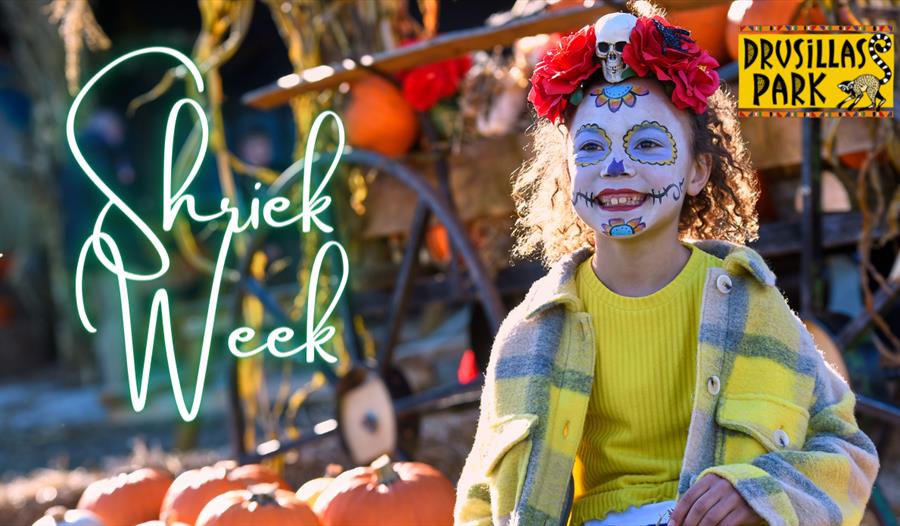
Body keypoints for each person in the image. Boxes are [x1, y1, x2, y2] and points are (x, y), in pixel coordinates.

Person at [453, 4, 879, 526]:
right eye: (590, 147)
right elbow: (478, 504)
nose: (615, 167)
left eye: (648, 143)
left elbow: (846, 448)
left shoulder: (750, 307)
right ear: (566, 175)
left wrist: (760, 494)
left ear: (699, 170)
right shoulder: (531, 332)